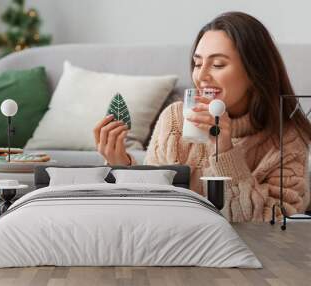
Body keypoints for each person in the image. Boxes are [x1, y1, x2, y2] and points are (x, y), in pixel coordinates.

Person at [93, 11, 311, 222]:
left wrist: (224, 150)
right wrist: (122, 166)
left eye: (218, 65)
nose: (202, 76)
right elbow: (152, 208)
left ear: (255, 72)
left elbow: (272, 227)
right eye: (197, 64)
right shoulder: (176, 119)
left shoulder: (289, 139)